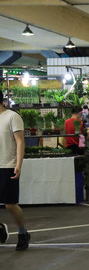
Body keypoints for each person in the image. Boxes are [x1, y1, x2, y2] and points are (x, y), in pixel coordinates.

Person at [0, 90, 30, 251]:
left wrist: (18, 164)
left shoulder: (12, 117)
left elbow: (20, 142)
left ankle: (22, 232)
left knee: (10, 204)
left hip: (7, 165)